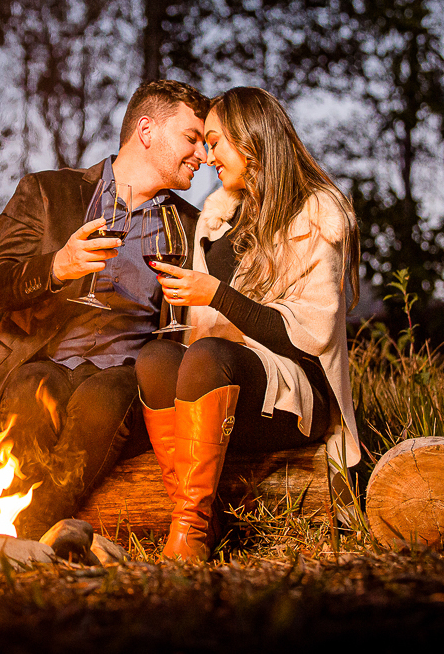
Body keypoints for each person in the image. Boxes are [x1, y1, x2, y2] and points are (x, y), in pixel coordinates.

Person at [0, 79, 210, 539]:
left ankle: (29, 536)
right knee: (29, 387)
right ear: (146, 131)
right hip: (47, 361)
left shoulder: (189, 225)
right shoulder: (47, 192)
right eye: (191, 138)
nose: (202, 154)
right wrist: (57, 266)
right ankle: (1, 526)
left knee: (104, 394)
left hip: (126, 378)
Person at [136, 85, 362, 561]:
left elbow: (310, 337)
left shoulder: (316, 214)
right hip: (224, 388)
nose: (207, 157)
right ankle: (197, 516)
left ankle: (189, 535)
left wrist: (217, 295)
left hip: (299, 395)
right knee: (155, 358)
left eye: (215, 142)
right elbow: (201, 334)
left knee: (207, 356)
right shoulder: (217, 223)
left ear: (251, 139)